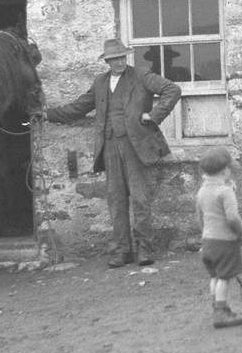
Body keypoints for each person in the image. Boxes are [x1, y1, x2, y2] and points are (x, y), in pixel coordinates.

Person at [43, 37, 181, 266]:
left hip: (135, 146)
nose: (118, 62)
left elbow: (172, 89)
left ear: (125, 57)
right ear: (107, 61)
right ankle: (121, 250)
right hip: (109, 146)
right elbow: (79, 107)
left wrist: (154, 115)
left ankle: (144, 249)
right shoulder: (100, 82)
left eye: (121, 57)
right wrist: (48, 114)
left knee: (140, 199)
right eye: (113, 59)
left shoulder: (141, 76)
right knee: (116, 201)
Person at [194, 147, 242, 328]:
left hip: (208, 240)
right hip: (224, 242)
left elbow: (199, 217)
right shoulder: (225, 191)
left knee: (215, 276)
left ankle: (218, 307)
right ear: (225, 170)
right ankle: (221, 312)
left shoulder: (202, 191)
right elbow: (232, 217)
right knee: (225, 277)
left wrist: (205, 234)